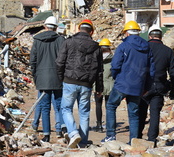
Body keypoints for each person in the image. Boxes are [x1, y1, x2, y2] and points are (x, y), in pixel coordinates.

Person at [102, 20, 155, 144]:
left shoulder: (123, 46)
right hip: (138, 86)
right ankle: (133, 140)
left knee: (111, 106)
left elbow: (115, 65)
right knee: (134, 114)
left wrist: (117, 78)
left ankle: (110, 136)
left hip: (122, 84)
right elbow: (151, 70)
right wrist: (146, 86)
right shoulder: (147, 47)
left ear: (126, 33)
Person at [56, 19, 103, 148]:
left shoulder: (68, 42)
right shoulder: (97, 48)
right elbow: (99, 71)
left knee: (66, 108)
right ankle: (82, 142)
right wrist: (99, 88)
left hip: (69, 81)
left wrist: (61, 78)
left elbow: (59, 62)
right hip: (87, 84)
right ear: (91, 32)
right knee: (84, 113)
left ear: (78, 29)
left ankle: (72, 132)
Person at [138, 25, 174, 146]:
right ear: (161, 37)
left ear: (149, 36)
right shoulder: (168, 51)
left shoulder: (142, 49)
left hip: (143, 87)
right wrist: (173, 91)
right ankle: (151, 140)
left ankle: (138, 137)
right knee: (155, 113)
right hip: (159, 87)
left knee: (141, 113)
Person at [30, 16, 65, 142]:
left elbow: (32, 62)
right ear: (56, 27)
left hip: (42, 78)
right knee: (60, 105)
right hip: (57, 78)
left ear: (45, 26)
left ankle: (46, 134)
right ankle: (60, 129)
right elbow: (64, 60)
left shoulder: (37, 40)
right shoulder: (61, 40)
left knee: (45, 108)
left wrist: (36, 78)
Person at [93, 38, 114, 132]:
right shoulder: (113, 59)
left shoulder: (96, 58)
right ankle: (110, 126)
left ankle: (99, 125)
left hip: (98, 85)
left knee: (98, 105)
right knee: (109, 106)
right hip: (110, 87)